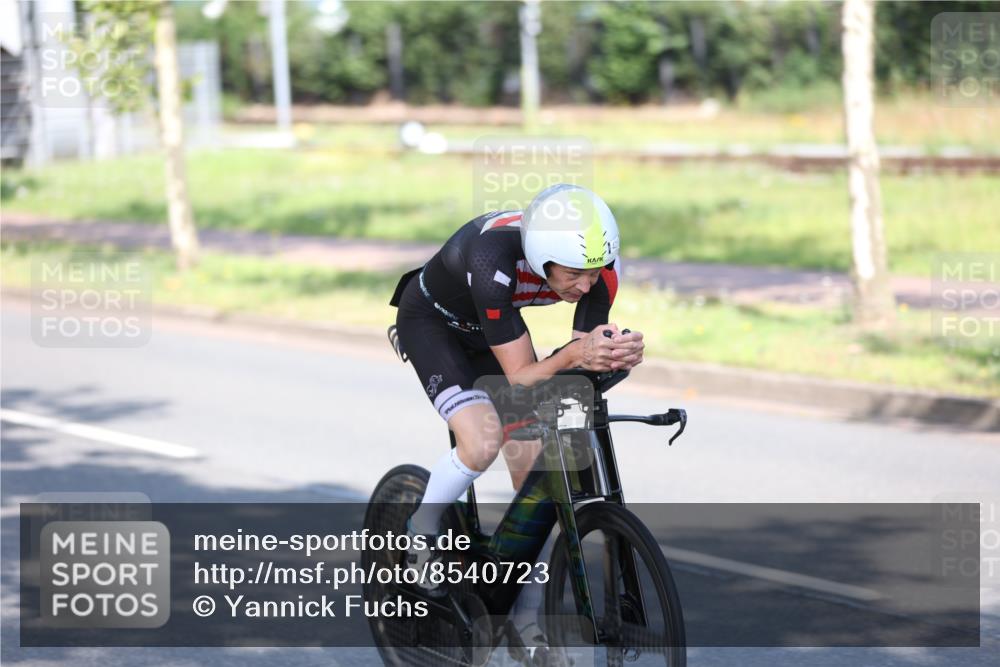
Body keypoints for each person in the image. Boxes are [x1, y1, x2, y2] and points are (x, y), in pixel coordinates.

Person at [388, 184, 645, 597]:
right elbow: (522, 374)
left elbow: (576, 363)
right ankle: (420, 531)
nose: (584, 286)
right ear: (541, 259)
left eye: (593, 273)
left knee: (535, 479)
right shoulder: (494, 261)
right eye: (574, 273)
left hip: (491, 333)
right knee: (482, 440)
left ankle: (521, 619)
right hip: (432, 327)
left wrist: (612, 355)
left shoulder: (600, 274)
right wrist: (575, 355)